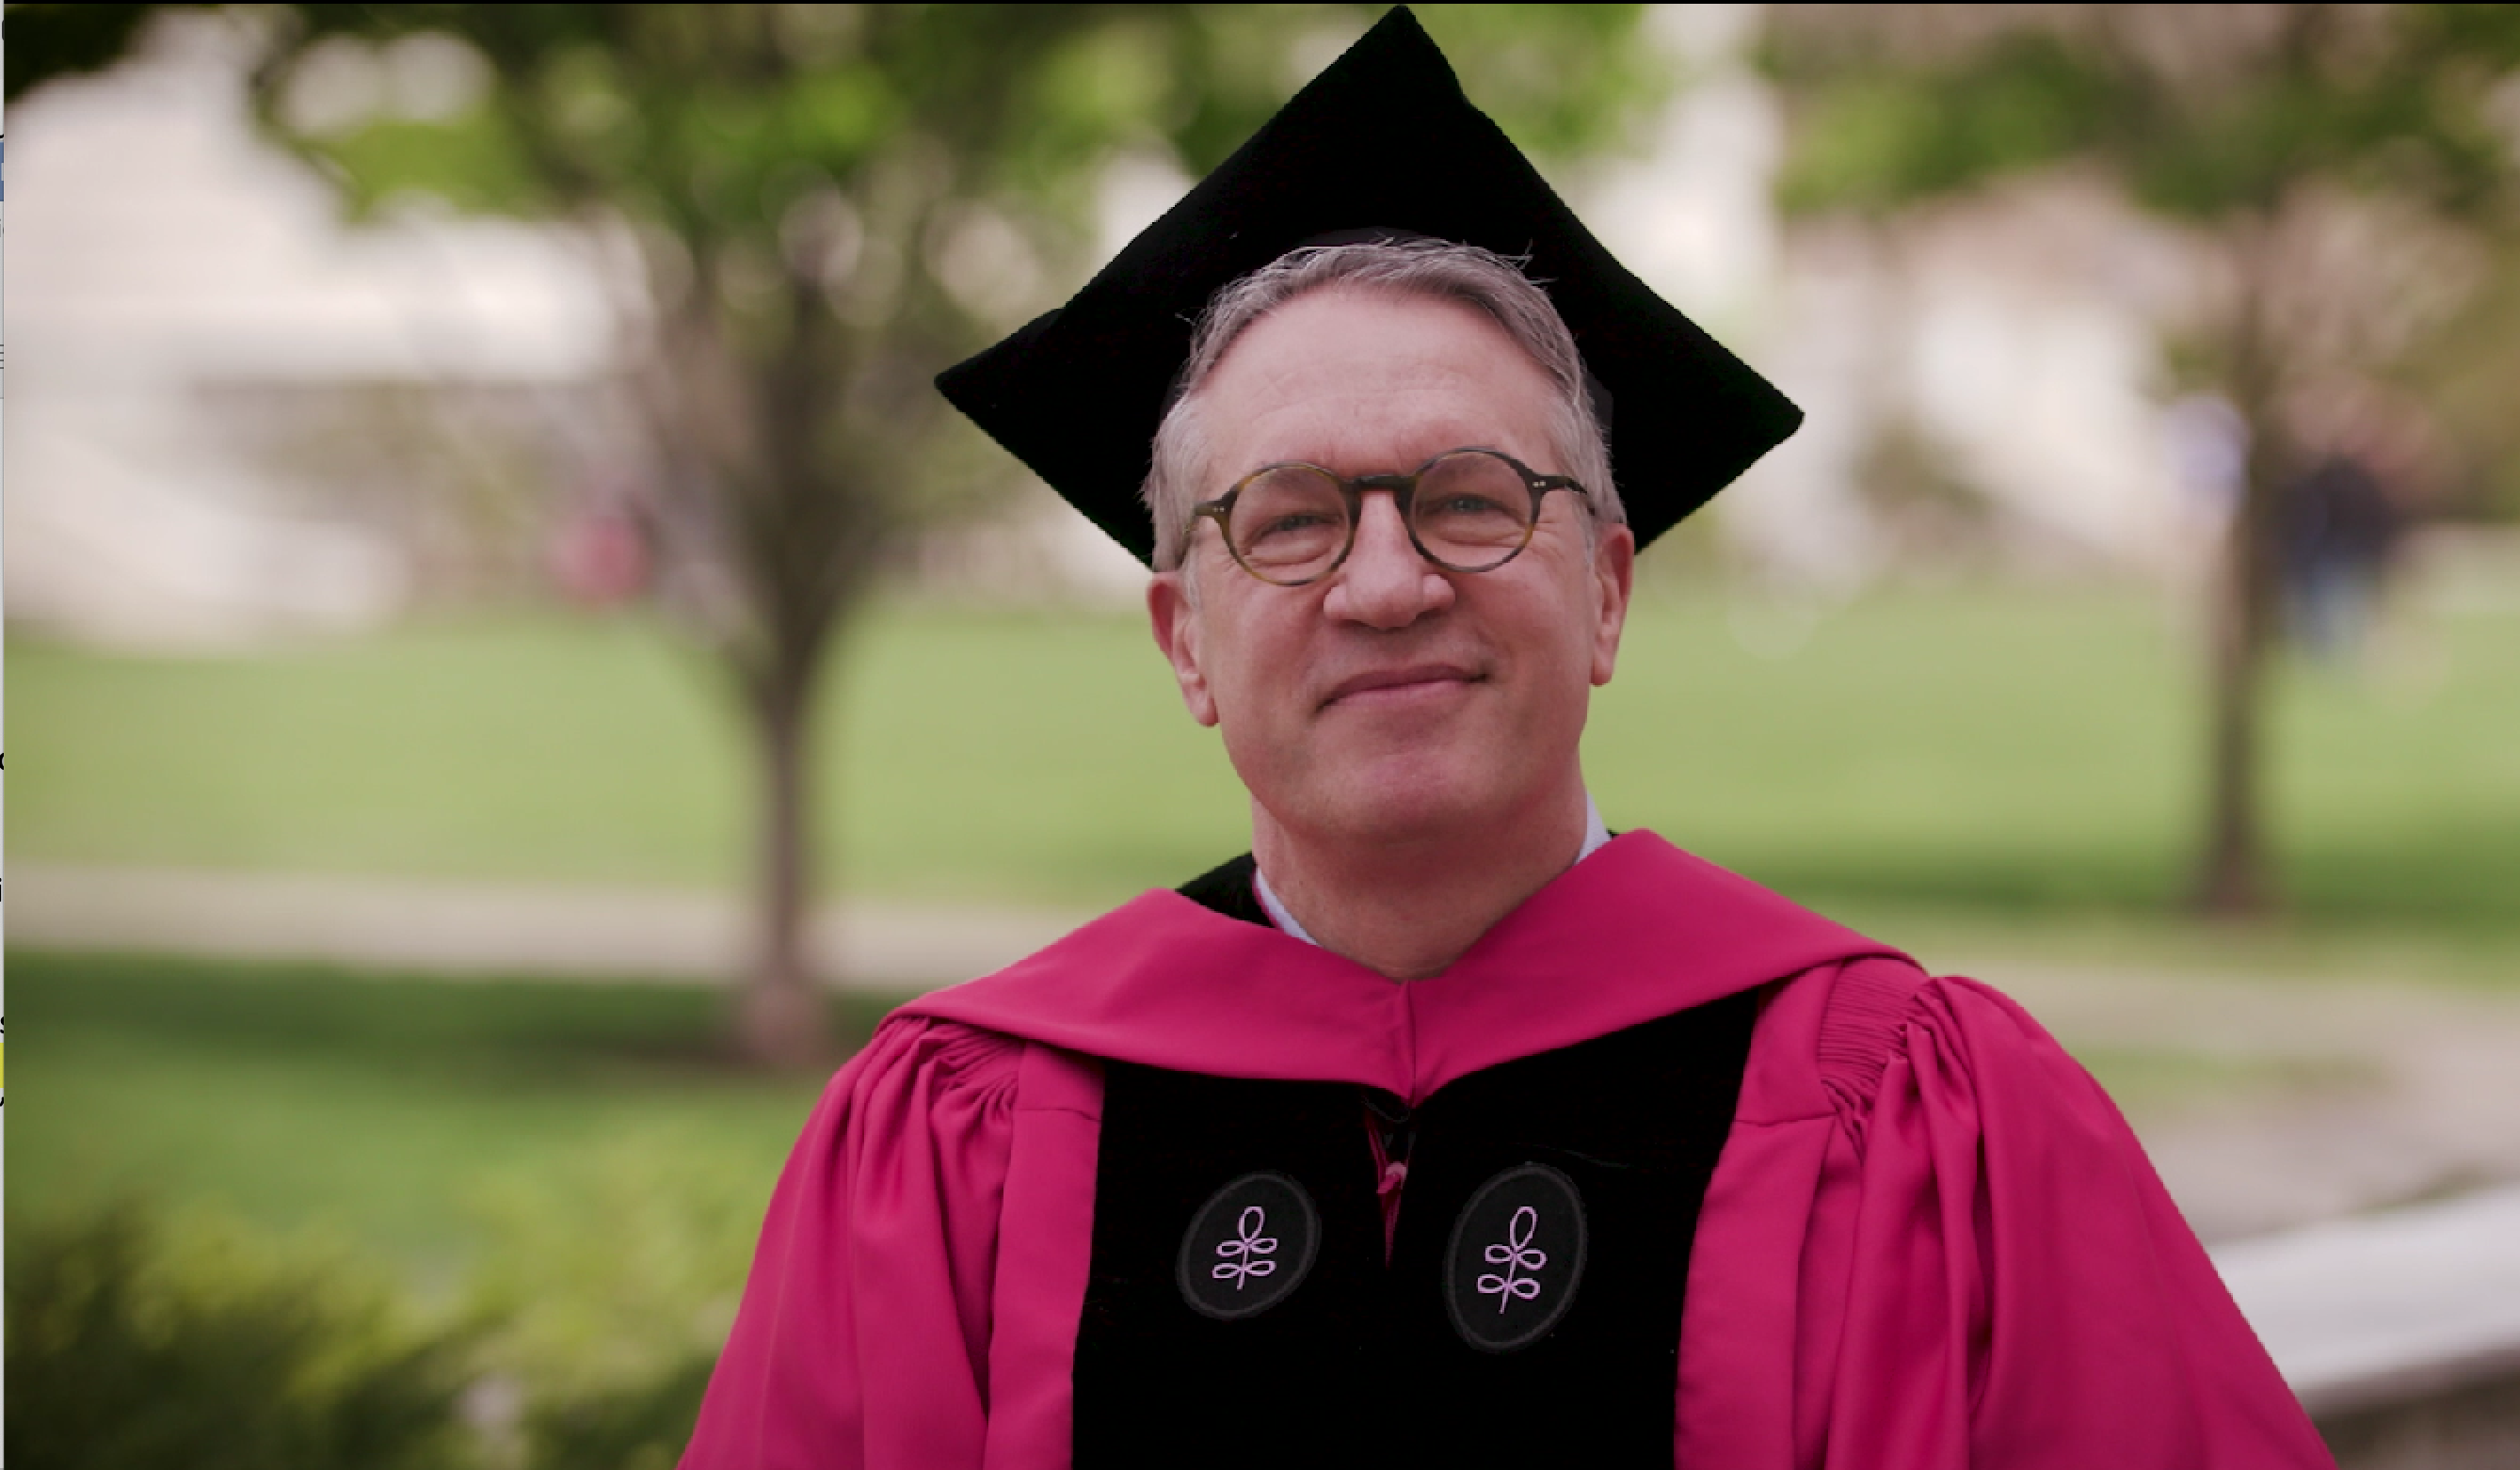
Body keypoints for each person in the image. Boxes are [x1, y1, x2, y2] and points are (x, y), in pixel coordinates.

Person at [682, 10, 2332, 1468]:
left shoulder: (1923, 1117)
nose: (1388, 586)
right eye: (1291, 519)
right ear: (1186, 639)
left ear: (1607, 592)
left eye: (1474, 501)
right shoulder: (956, 1138)